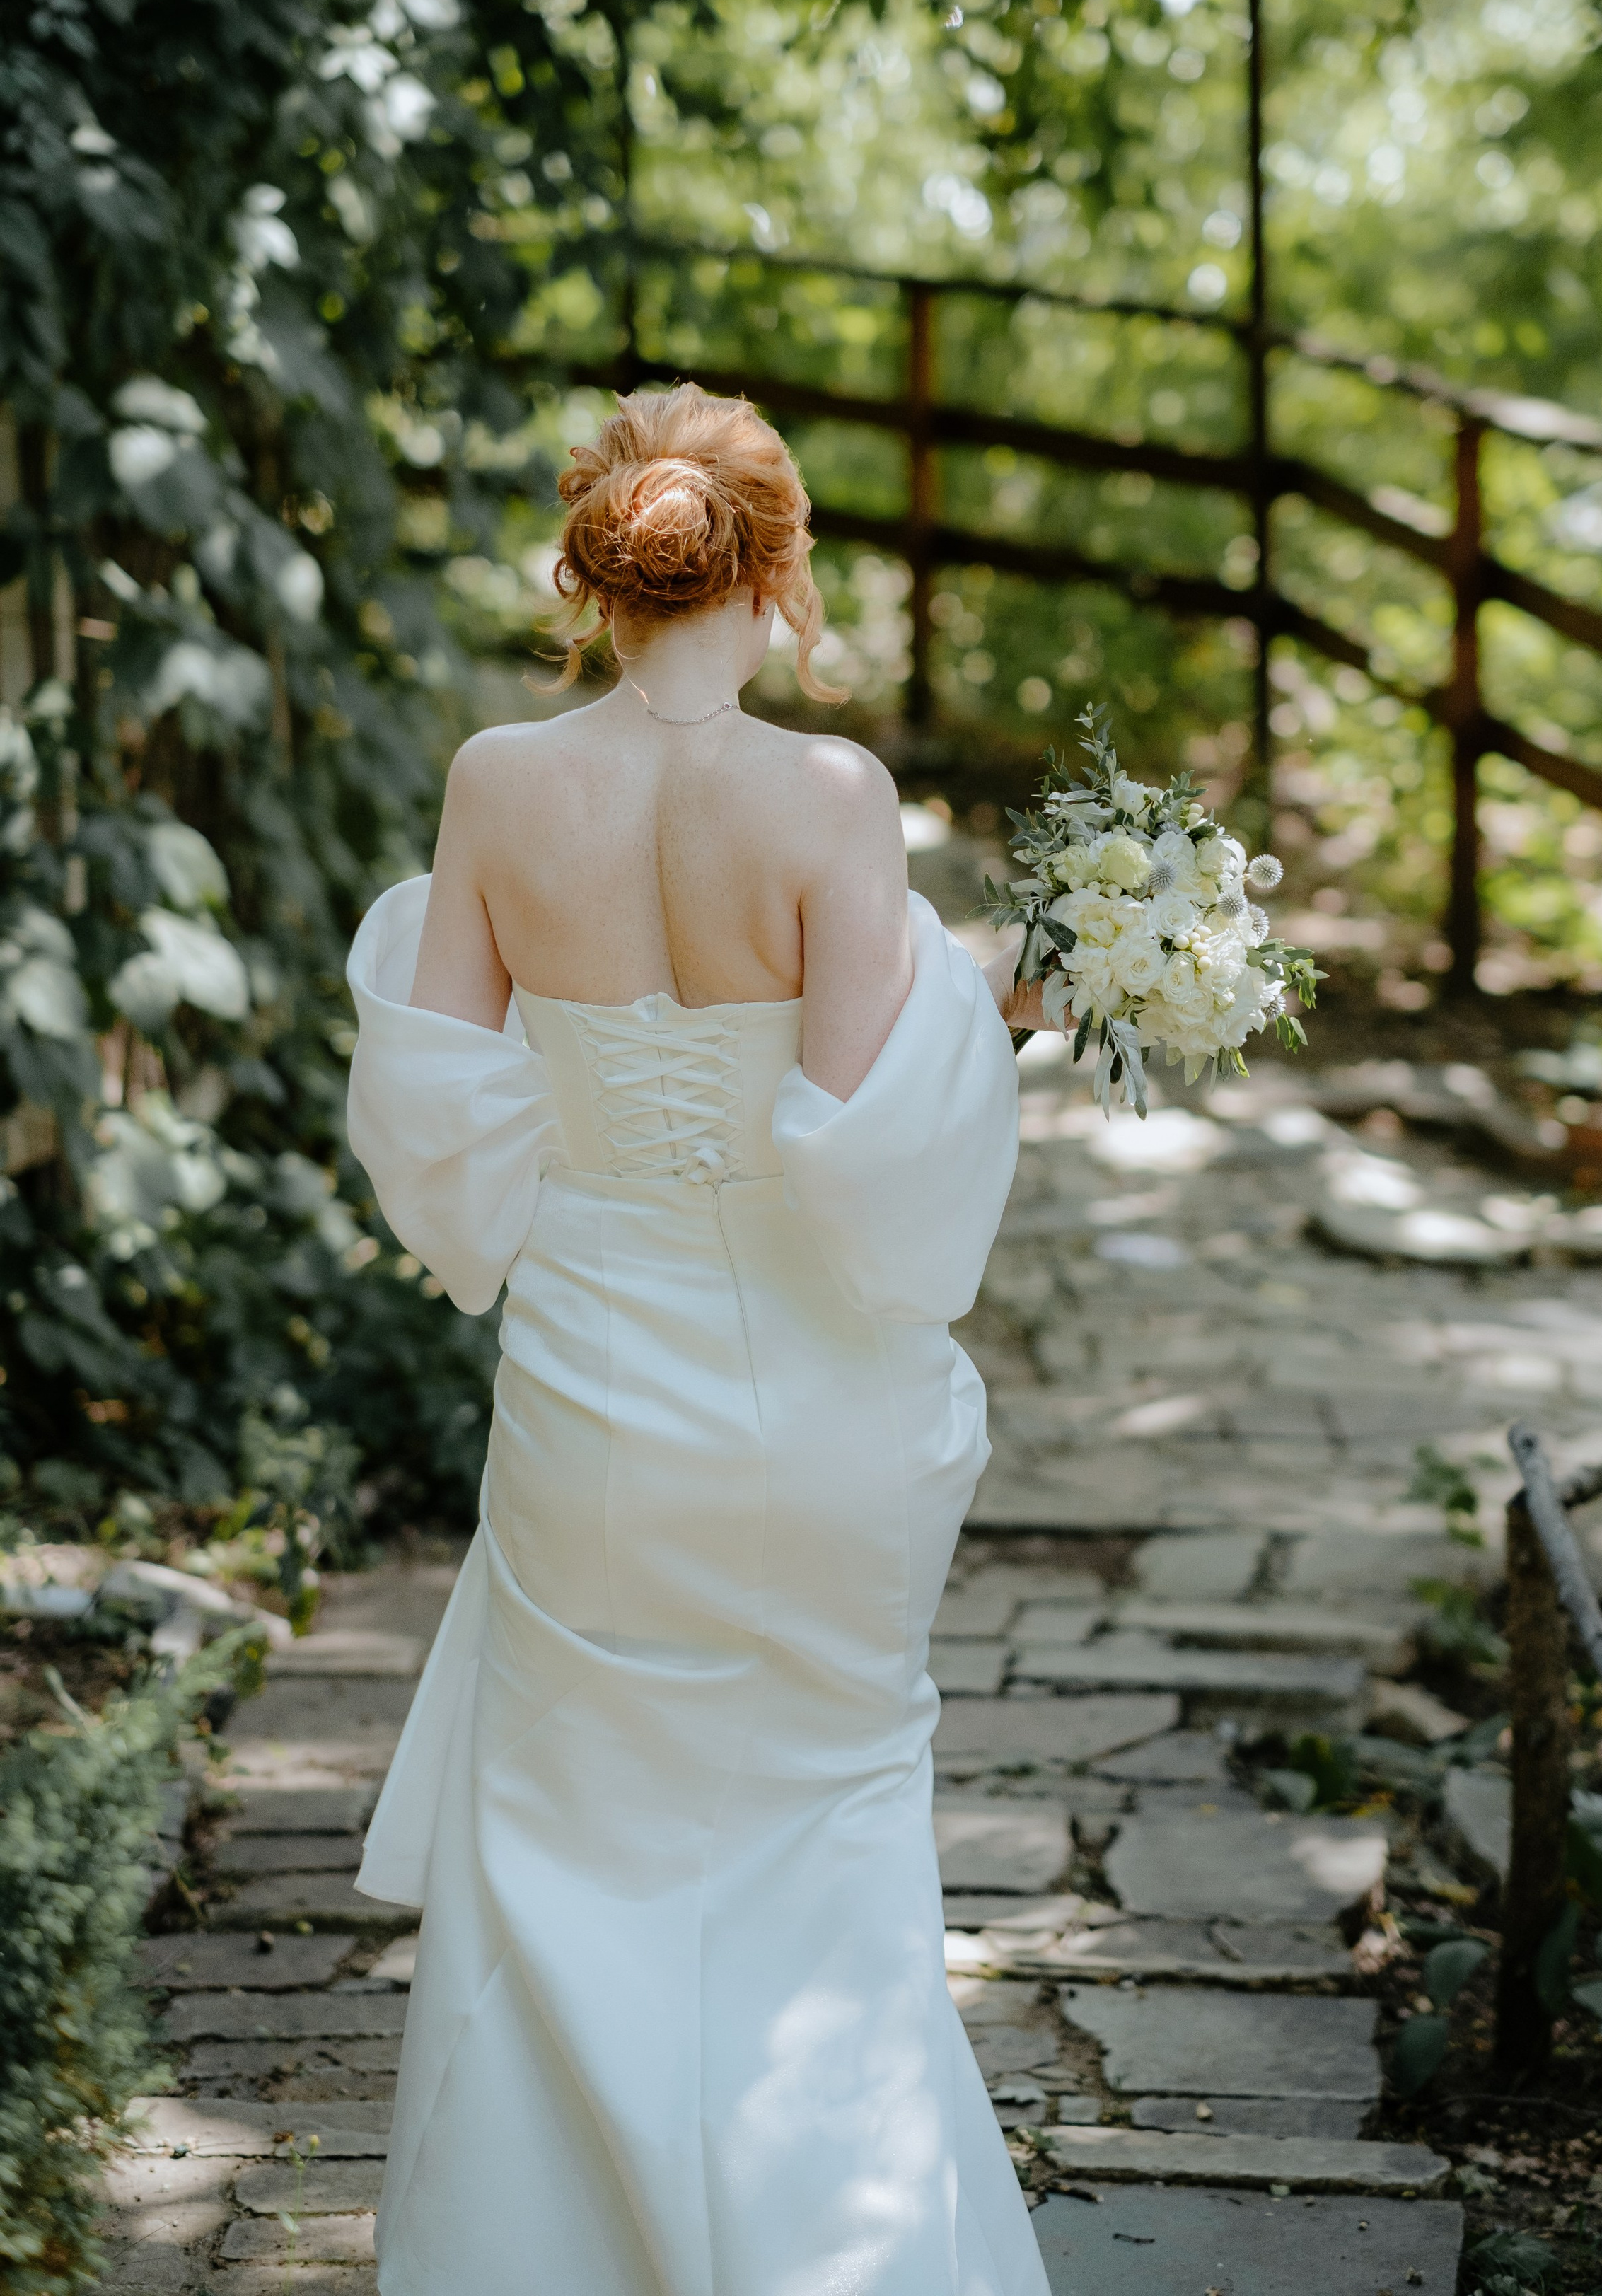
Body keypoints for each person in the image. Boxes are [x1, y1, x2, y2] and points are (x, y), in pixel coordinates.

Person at [344, 381, 1055, 2295]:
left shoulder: (497, 784)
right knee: (828, 1841)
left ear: (595, 571)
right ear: (779, 570)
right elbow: (877, 1145)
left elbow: (432, 1109)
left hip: (591, 1404)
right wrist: (994, 1006)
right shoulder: (833, 800)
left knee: (564, 1846)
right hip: (822, 1409)